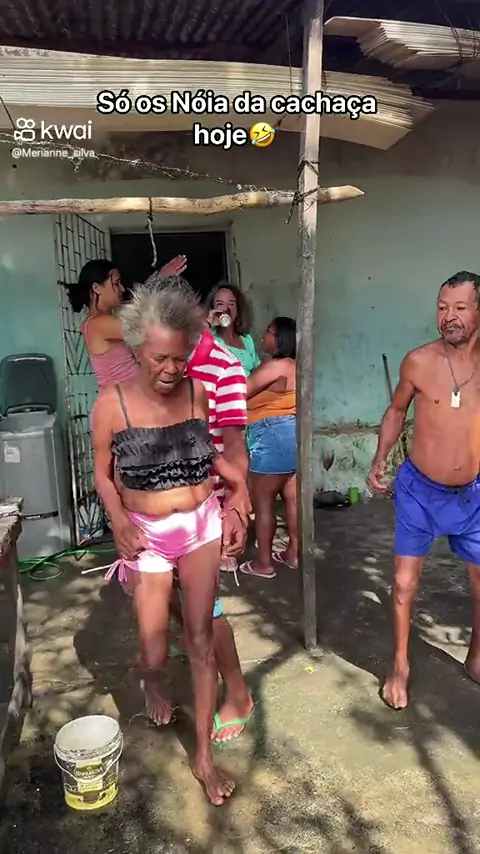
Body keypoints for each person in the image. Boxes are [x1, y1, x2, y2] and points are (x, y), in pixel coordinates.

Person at [92, 281, 250, 805]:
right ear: (137, 349)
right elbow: (102, 475)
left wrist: (238, 494)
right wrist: (118, 519)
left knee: (201, 639)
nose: (171, 369)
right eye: (159, 358)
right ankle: (153, 678)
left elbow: (209, 455)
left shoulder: (197, 392)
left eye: (180, 358)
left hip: (201, 525)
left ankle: (204, 757)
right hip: (149, 536)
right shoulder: (112, 404)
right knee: (155, 646)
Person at [368, 270, 480, 710]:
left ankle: (477, 652)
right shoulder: (418, 361)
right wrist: (380, 459)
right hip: (419, 491)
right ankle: (399, 664)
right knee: (402, 583)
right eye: (442, 307)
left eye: (460, 308)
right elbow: (396, 411)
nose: (448, 316)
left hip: (474, 495)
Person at [65, 255, 187, 387]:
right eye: (116, 283)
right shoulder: (97, 324)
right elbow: (146, 327)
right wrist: (159, 281)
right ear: (96, 288)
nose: (122, 289)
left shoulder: (103, 321)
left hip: (130, 395)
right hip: (122, 397)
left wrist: (160, 277)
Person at [241, 317, 297, 578]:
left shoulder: (276, 366)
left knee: (263, 502)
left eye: (268, 332)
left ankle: (264, 564)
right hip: (293, 435)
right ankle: (293, 553)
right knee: (292, 499)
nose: (263, 336)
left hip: (270, 435)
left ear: (280, 338)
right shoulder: (296, 366)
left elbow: (242, 392)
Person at [205, 282, 260, 377]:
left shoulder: (246, 339)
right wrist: (208, 323)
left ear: (238, 309)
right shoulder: (208, 336)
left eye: (231, 304)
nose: (226, 308)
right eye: (220, 304)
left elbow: (258, 370)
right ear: (212, 308)